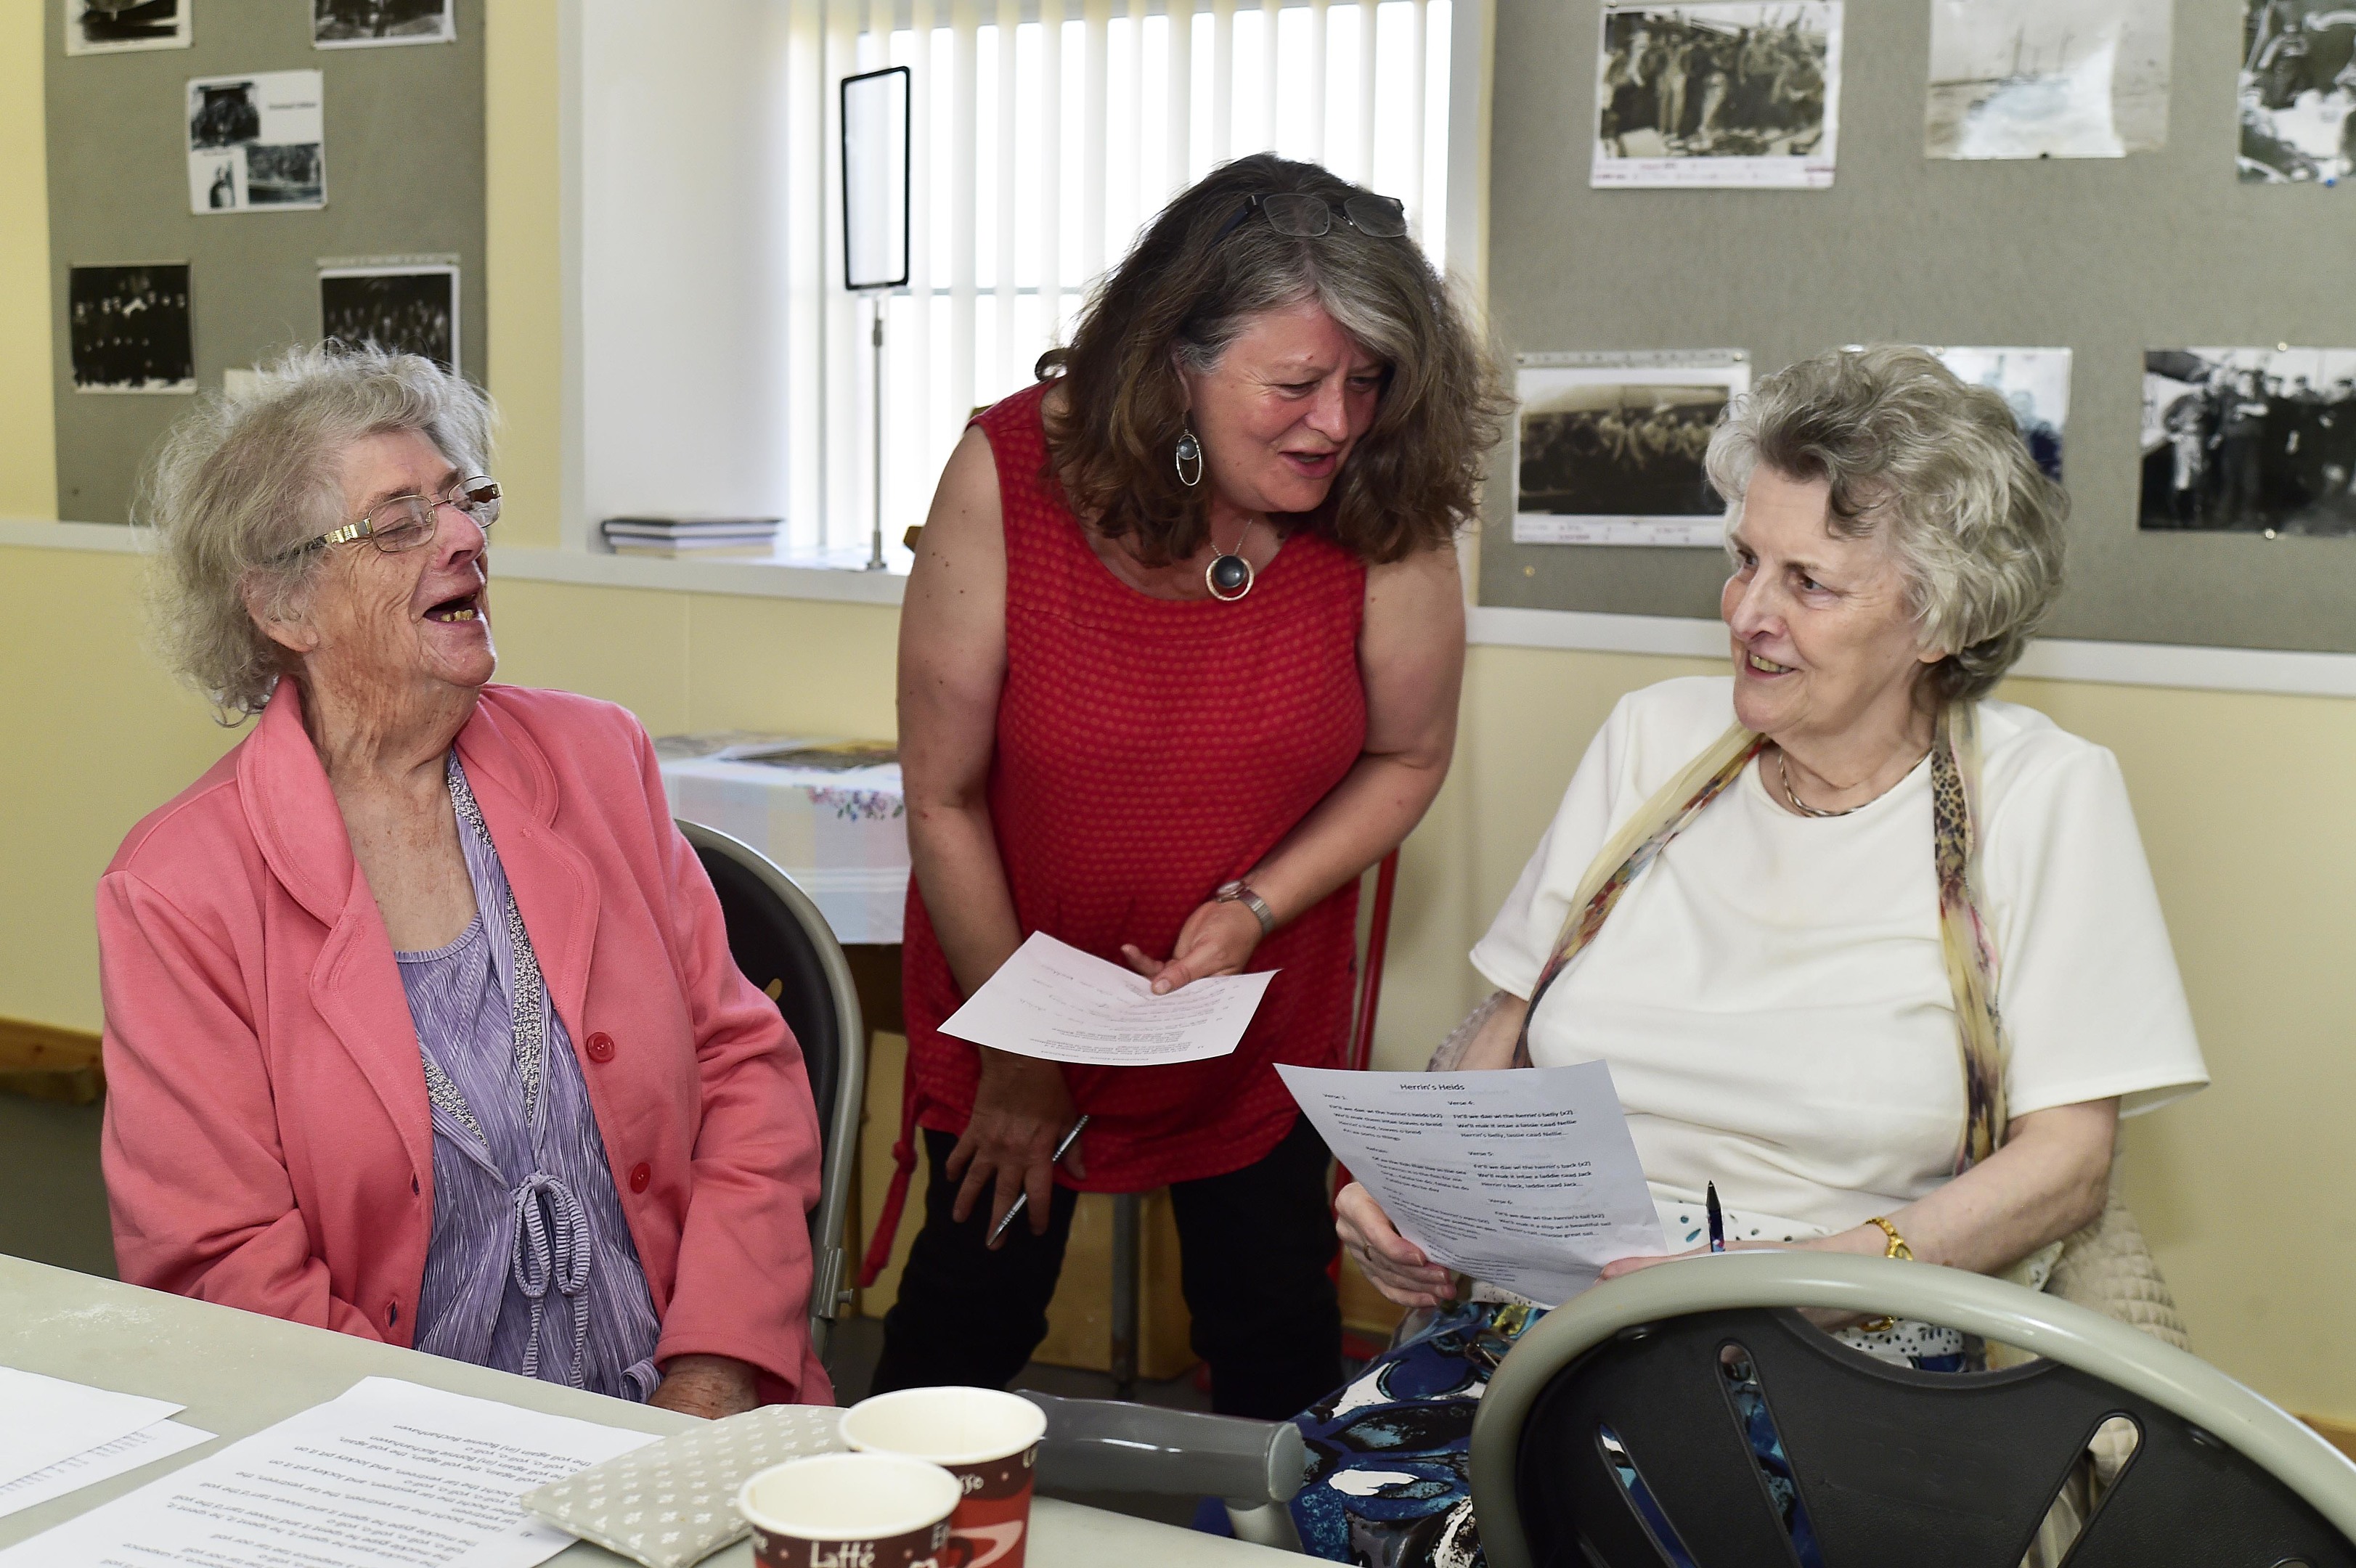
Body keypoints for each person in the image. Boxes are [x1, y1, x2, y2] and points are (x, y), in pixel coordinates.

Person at [1300, 346, 2209, 1561]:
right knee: (1378, 1522)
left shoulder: (2044, 796)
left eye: (1808, 583)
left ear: (1936, 616)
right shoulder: (1652, 740)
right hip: (1554, 1326)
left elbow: (2066, 1169)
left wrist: (1796, 1277)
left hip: (1849, 1342)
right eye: (1741, 561)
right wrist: (1415, 1194)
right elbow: (1505, 1027)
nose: (1746, 613)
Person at [873, 152, 1507, 1420]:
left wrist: (1253, 906)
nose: (1338, 420)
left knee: (1274, 1344)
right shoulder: (1010, 474)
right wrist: (1019, 1057)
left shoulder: (1380, 499)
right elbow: (941, 796)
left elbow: (1408, 756)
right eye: (1295, 384)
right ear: (1173, 360)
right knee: (964, 1324)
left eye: (1368, 380)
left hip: (1252, 1012)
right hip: (1011, 1007)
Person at [98, 344, 830, 1415]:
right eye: (398, 523)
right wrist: (448, 1455)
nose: (464, 538)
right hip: (378, 1440)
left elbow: (742, 1072)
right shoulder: (176, 890)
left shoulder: (596, 760)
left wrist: (713, 1368)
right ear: (283, 608)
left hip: (681, 1396)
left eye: (462, 501)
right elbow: (219, 1259)